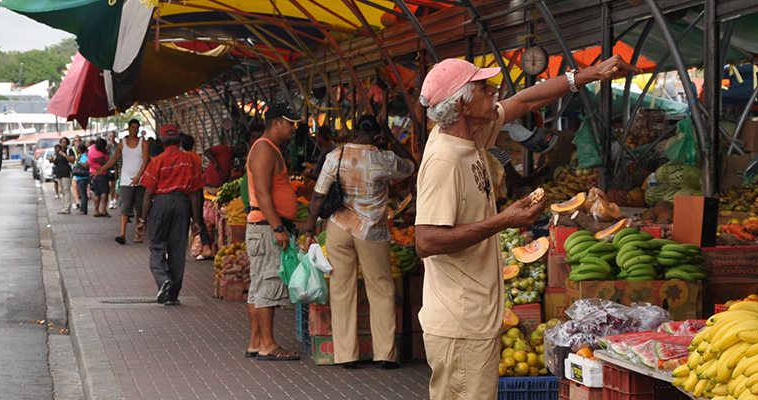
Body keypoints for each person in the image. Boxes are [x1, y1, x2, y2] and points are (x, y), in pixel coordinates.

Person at [415, 57, 635, 399]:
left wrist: (589, 74)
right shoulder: (445, 159)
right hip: (460, 321)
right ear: (462, 104)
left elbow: (526, 100)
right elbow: (426, 241)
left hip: (474, 316)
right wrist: (505, 221)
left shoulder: (470, 134)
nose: (494, 92)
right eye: (484, 89)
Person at [302, 115, 416, 370]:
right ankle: (386, 353)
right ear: (377, 135)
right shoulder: (384, 158)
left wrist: (309, 229)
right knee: (381, 287)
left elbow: (318, 196)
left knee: (342, 289)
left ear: (354, 132)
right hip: (371, 231)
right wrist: (391, 139)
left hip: (339, 227)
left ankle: (346, 355)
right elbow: (411, 165)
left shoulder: (336, 155)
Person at [244, 103, 303, 362]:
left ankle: (256, 342)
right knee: (267, 285)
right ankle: (268, 344)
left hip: (265, 226)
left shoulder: (270, 148)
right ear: (276, 122)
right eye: (290, 123)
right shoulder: (265, 149)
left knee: (258, 287)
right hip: (267, 227)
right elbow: (263, 192)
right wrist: (278, 227)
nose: (293, 128)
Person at [135, 124, 209, 305]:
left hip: (161, 203)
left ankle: (162, 279)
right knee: (177, 249)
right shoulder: (190, 160)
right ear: (179, 139)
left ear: (161, 141)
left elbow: (148, 193)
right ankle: (173, 295)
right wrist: (196, 220)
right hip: (182, 204)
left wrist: (143, 219)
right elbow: (195, 193)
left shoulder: (156, 161)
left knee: (157, 245)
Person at [100, 119, 150, 244]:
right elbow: (114, 159)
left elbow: (146, 160)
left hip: (141, 181)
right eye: (133, 127)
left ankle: (137, 234)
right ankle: (122, 234)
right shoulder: (122, 143)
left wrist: (139, 176)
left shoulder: (143, 143)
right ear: (128, 128)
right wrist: (102, 169)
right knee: (125, 206)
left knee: (139, 208)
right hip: (125, 180)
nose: (135, 130)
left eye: (137, 128)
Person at [88, 138, 113, 218]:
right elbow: (106, 164)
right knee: (105, 191)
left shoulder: (92, 148)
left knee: (97, 192)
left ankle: (96, 210)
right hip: (101, 174)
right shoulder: (97, 154)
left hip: (93, 173)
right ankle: (103, 210)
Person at [55, 138, 79, 214]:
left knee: (66, 190)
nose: (63, 144)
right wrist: (52, 160)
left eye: (65, 142)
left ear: (67, 143)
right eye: (62, 142)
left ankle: (67, 208)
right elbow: (56, 161)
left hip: (66, 172)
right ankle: (63, 207)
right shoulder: (58, 151)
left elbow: (72, 159)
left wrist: (64, 155)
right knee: (62, 190)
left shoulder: (69, 151)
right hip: (59, 172)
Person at [74, 140, 92, 215]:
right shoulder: (81, 156)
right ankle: (82, 208)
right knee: (82, 194)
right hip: (80, 178)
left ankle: (83, 209)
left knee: (83, 194)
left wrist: (79, 162)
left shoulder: (84, 157)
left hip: (82, 178)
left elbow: (86, 165)